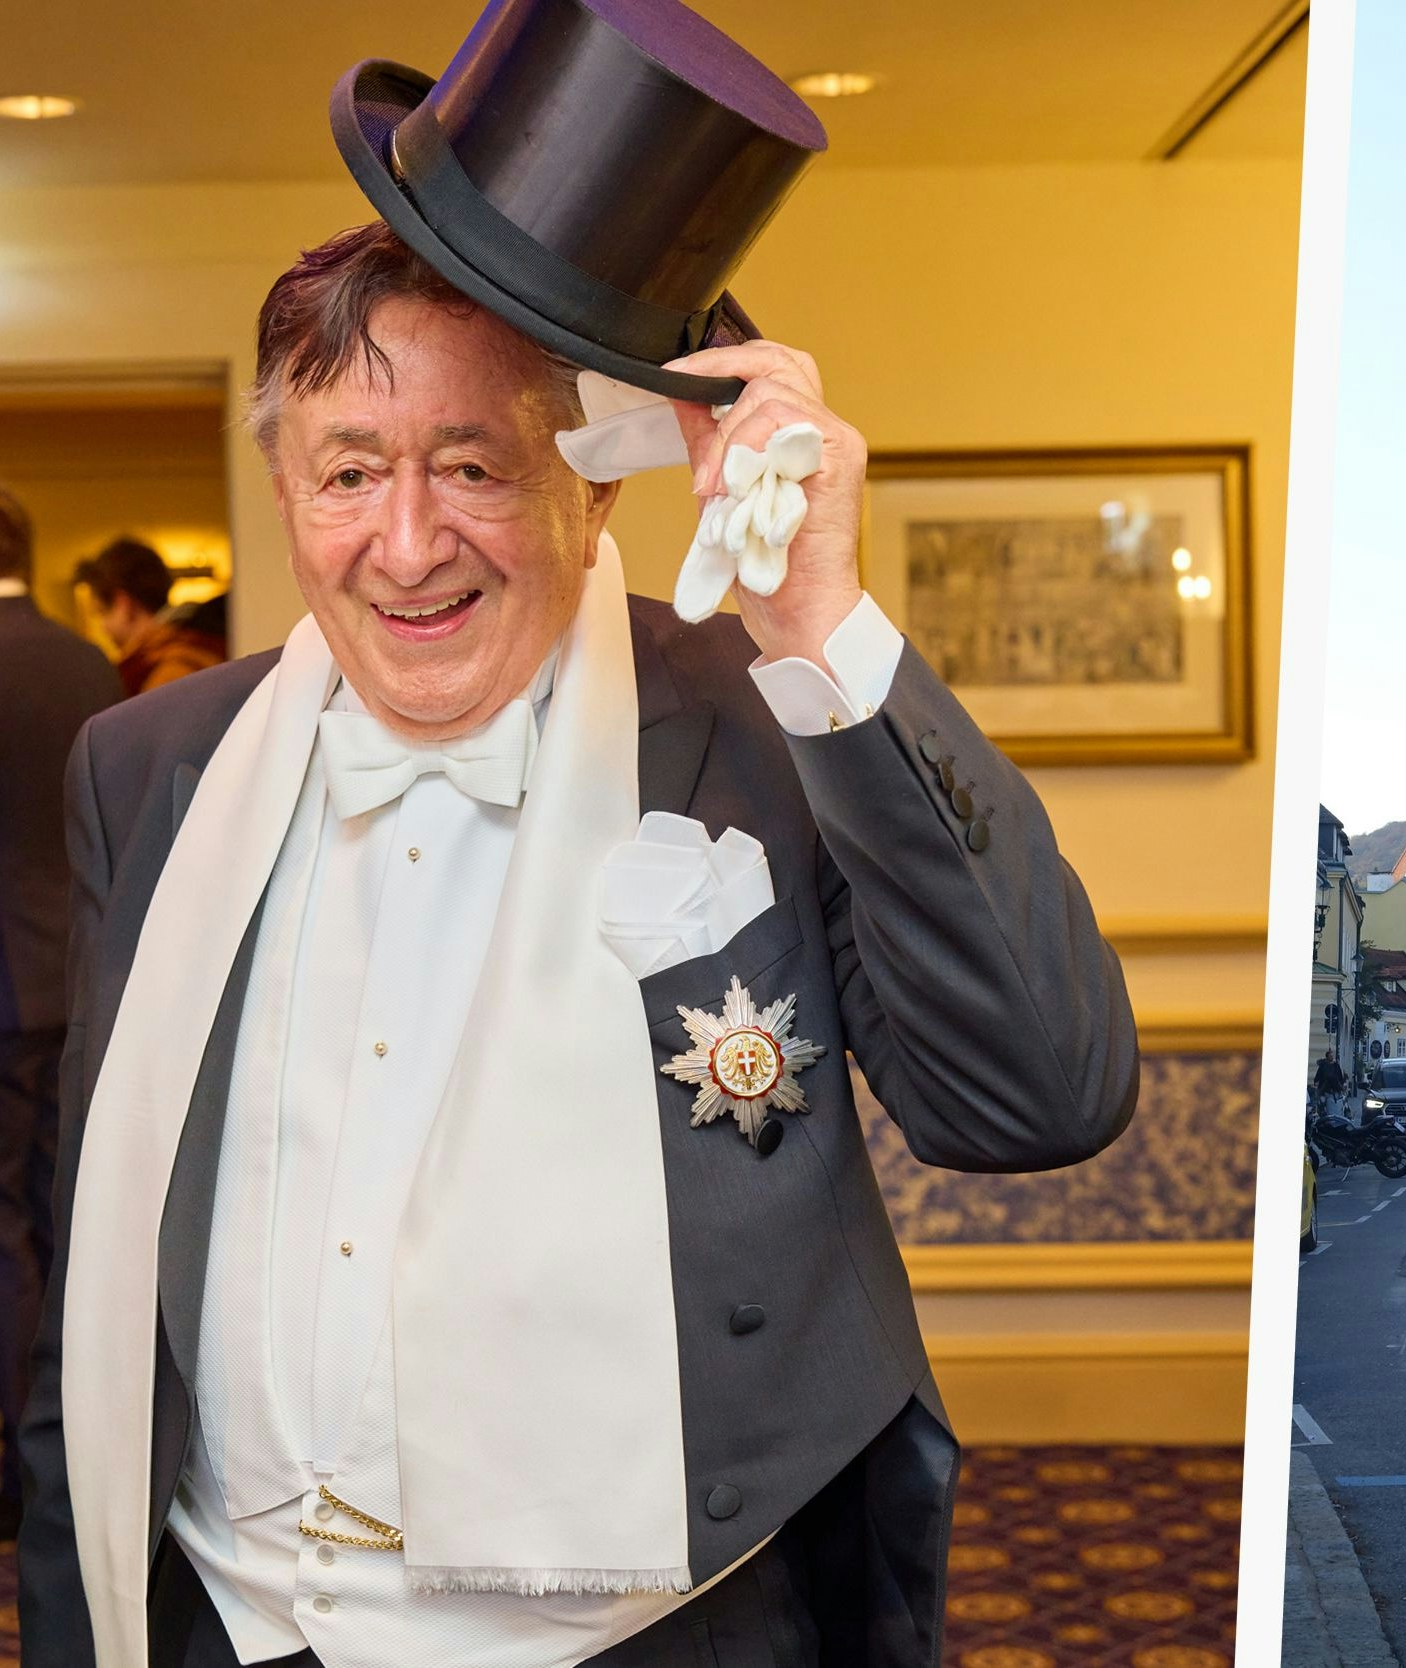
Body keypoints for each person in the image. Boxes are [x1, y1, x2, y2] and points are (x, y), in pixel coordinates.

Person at [19, 5, 1137, 1663]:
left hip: (666, 1626)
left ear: (597, 487)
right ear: (282, 490)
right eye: (347, 473)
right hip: (229, 1621)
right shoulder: (147, 760)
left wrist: (819, 617)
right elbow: (94, 1264)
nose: (405, 546)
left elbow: (1038, 1094)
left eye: (472, 463)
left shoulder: (768, 725)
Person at [0, 485, 124, 1540]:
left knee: (2, 1232)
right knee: (61, 1216)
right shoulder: (83, 658)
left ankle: (23, 1477)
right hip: (72, 977)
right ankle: (72, 1461)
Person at [74, 537, 227, 695]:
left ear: (124, 605)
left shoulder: (156, 671)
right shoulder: (200, 644)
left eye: (102, 612)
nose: (103, 626)